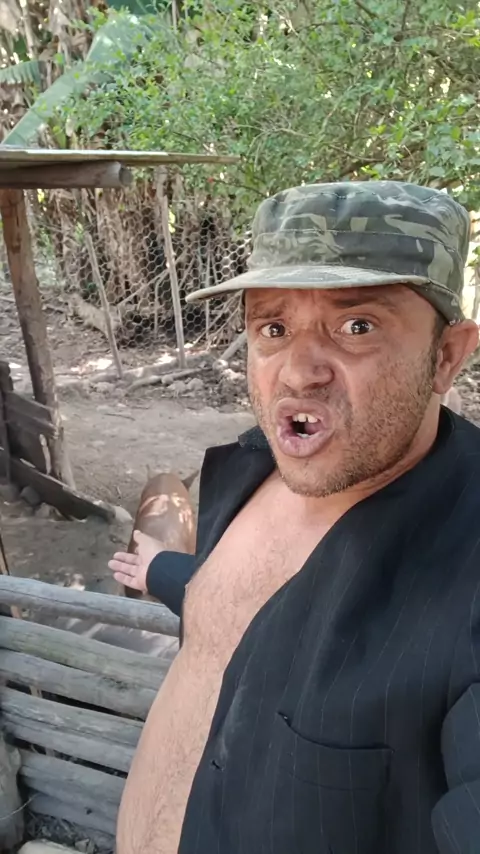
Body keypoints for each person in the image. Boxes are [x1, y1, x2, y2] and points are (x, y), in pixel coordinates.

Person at [110, 181, 480, 854]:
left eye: (357, 326)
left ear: (447, 355)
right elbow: (239, 613)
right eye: (273, 329)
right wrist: (161, 570)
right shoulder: (250, 467)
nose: (297, 373)